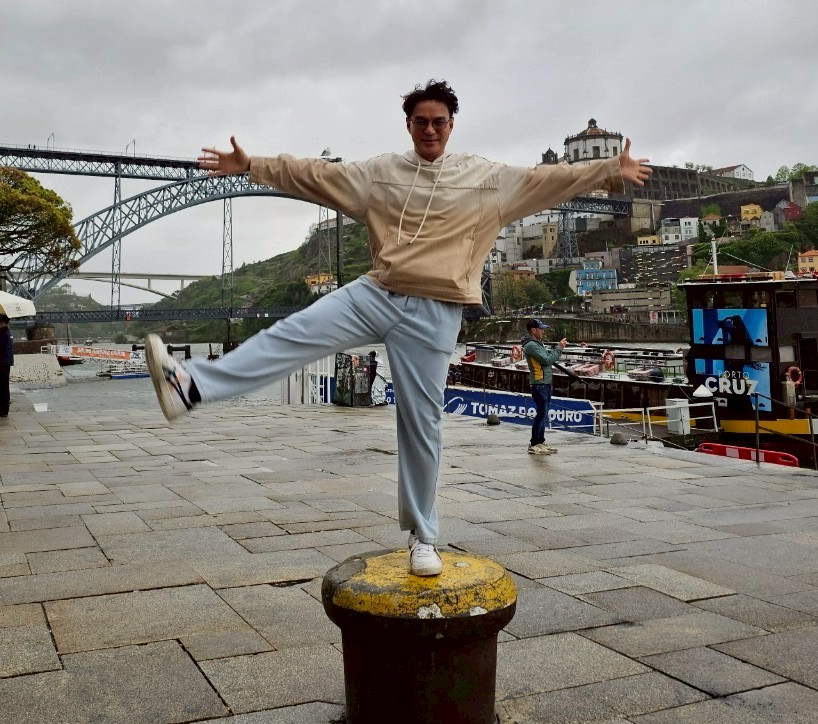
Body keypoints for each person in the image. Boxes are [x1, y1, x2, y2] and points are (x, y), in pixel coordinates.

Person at [144, 79, 651, 576]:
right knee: (294, 333)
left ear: (452, 125)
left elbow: (551, 180)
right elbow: (314, 174)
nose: (430, 130)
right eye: (420, 122)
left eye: (439, 122)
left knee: (421, 424)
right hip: (378, 291)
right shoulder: (380, 173)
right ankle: (192, 386)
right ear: (408, 124)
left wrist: (612, 169)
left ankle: (423, 538)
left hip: (436, 310)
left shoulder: (488, 178)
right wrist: (252, 165)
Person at [520, 319, 566, 454]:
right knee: (541, 414)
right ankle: (534, 444)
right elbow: (547, 360)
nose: (543, 331)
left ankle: (540, 441)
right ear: (533, 330)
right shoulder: (531, 346)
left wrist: (556, 349)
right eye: (541, 329)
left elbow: (547, 357)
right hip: (539, 384)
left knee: (543, 414)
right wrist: (559, 348)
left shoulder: (537, 344)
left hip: (545, 383)